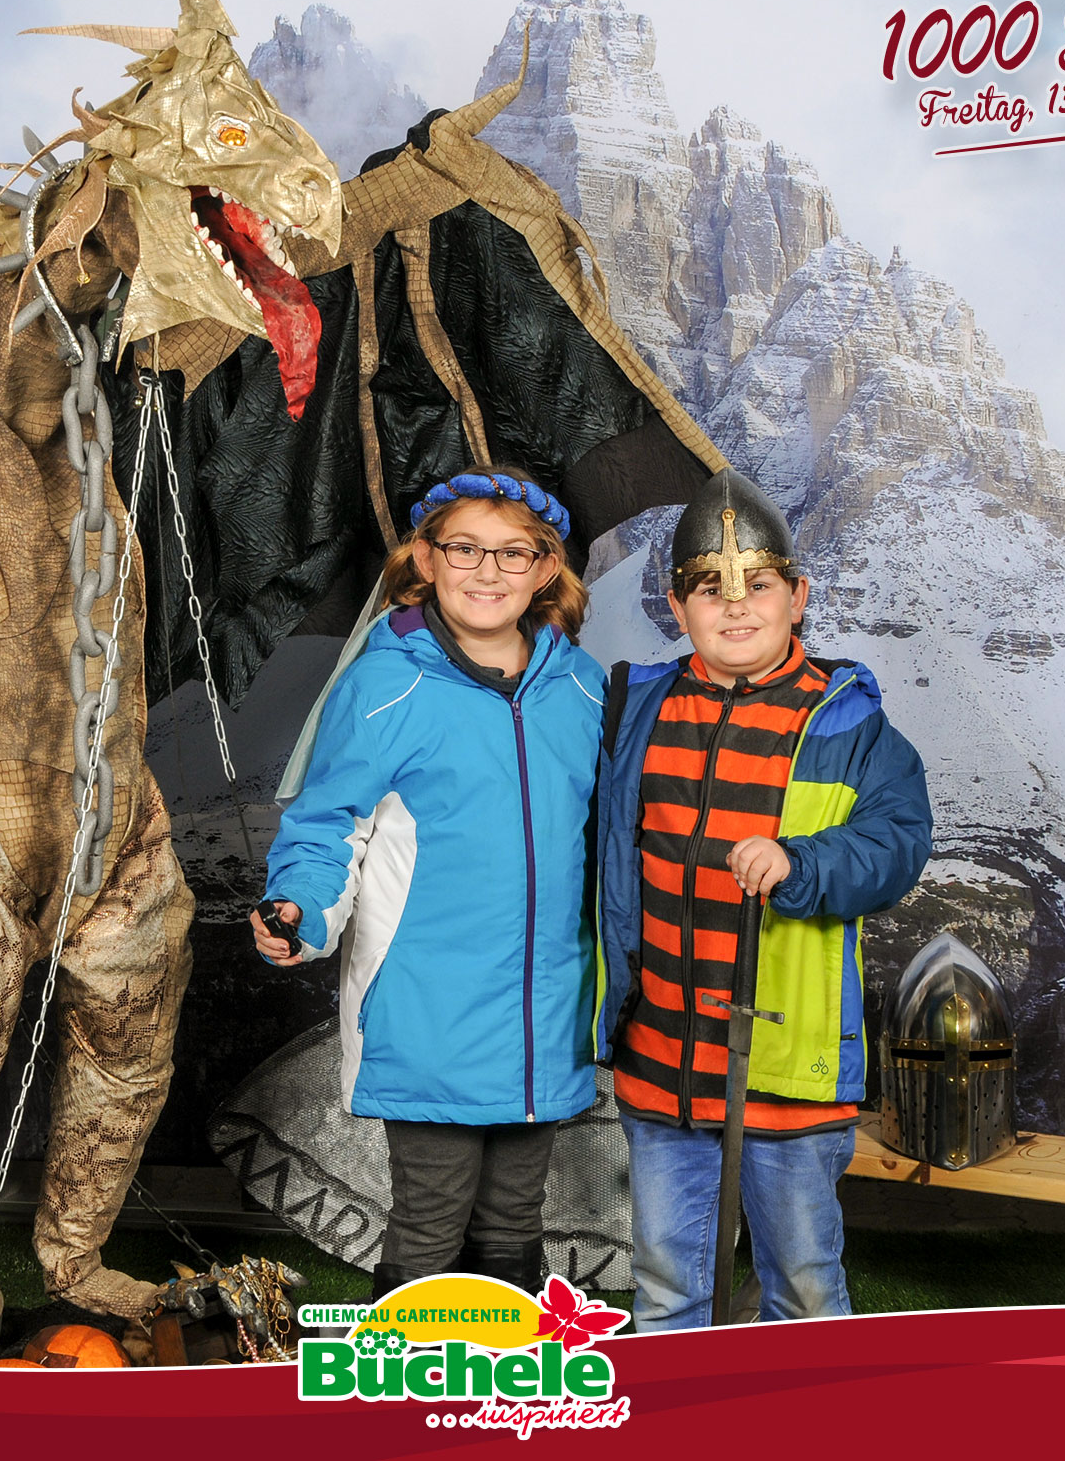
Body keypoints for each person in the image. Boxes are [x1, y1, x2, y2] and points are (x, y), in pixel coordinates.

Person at [250, 468, 605, 1298]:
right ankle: (409, 1373)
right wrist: (302, 909)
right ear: (426, 558)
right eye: (465, 549)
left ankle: (505, 1371)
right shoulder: (384, 686)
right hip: (428, 1006)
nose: (488, 571)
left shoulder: (582, 688)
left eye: (512, 552)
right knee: (433, 1215)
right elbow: (328, 825)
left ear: (546, 568)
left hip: (545, 1008)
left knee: (516, 1219)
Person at [595, 469, 931, 1328]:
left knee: (804, 1291)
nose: (736, 607)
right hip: (663, 1063)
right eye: (711, 588)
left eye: (759, 586)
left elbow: (897, 844)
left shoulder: (847, 724)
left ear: (798, 597)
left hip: (787, 1067)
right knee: (667, 1288)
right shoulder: (636, 710)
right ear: (678, 606)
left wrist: (801, 861)